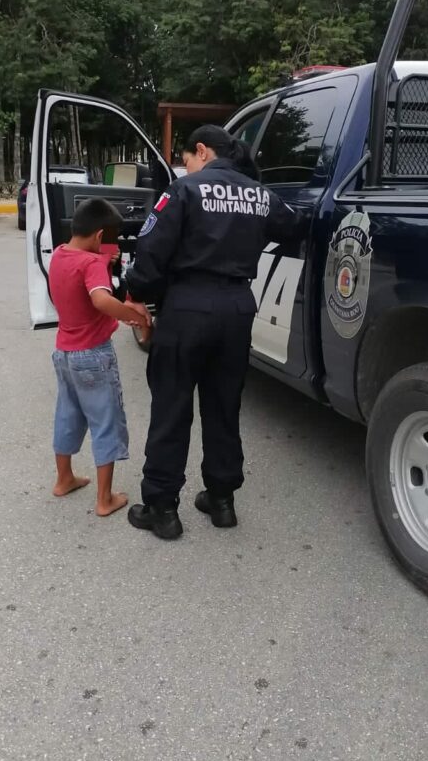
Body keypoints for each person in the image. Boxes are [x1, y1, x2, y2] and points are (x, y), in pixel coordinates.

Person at [124, 124, 304, 540]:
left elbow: (150, 254)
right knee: (224, 407)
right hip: (238, 311)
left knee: (172, 408)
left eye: (186, 159)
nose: (185, 167)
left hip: (187, 308)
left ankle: (162, 509)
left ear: (201, 151)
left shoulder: (184, 192)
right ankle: (222, 501)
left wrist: (136, 293)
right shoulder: (259, 194)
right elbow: (294, 227)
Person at [48, 198, 151, 517]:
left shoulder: (59, 255)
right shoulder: (91, 265)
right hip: (93, 356)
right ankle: (105, 499)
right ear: (99, 235)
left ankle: (64, 479)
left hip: (64, 353)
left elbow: (80, 282)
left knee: (68, 414)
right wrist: (134, 316)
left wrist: (106, 260)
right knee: (106, 422)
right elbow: (101, 299)